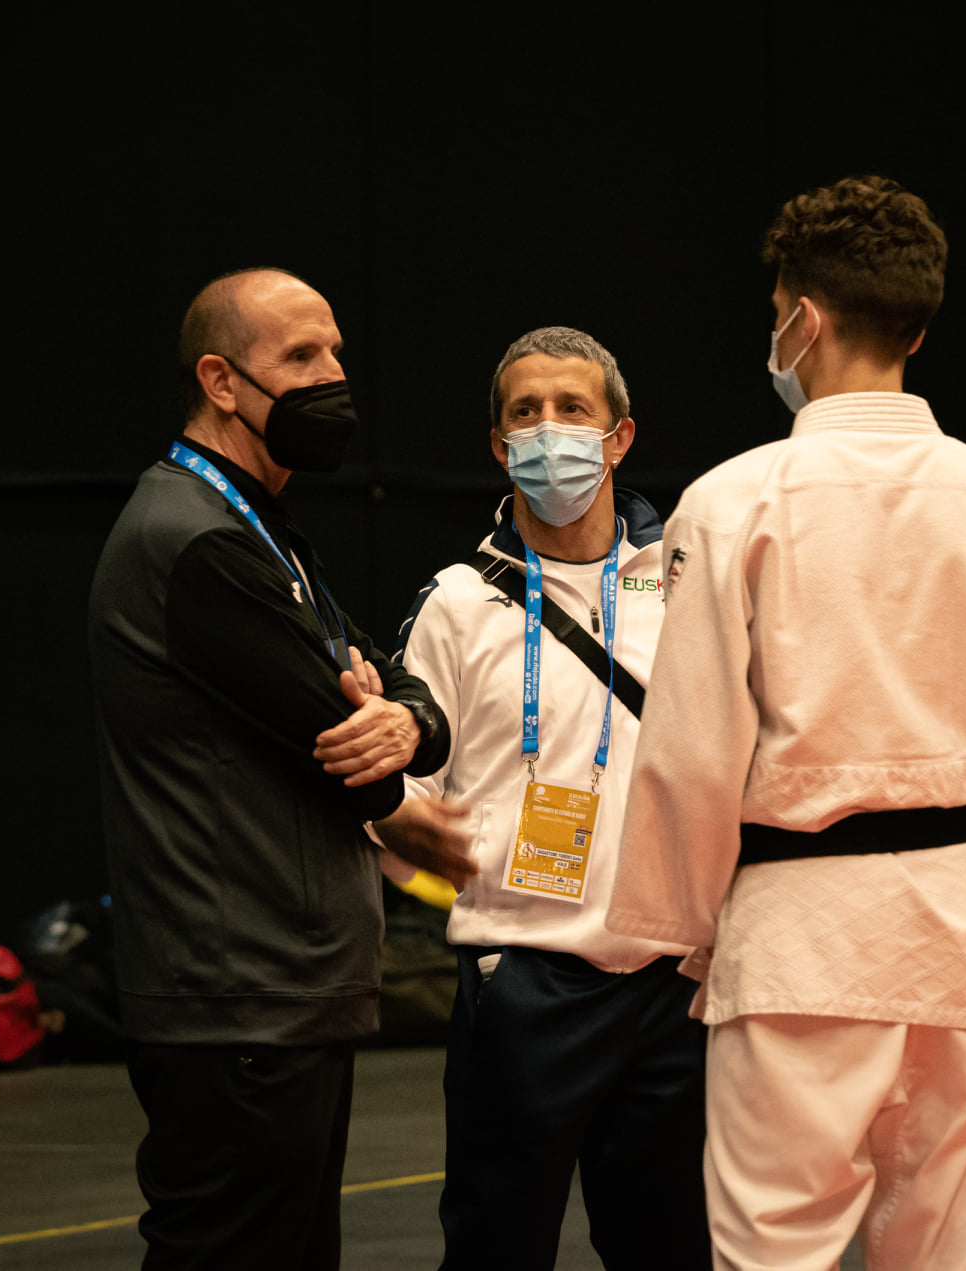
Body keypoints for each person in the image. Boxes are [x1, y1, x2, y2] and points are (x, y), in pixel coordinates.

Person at [605, 176, 966, 1269]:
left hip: (795, 926)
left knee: (777, 1246)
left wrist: (678, 926)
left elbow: (690, 752)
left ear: (801, 320)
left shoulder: (732, 501)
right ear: (915, 324)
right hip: (956, 918)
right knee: (961, 1249)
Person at [89, 266, 469, 1270]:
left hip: (274, 983)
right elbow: (337, 734)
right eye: (300, 356)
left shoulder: (259, 530)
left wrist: (409, 725)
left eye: (335, 349)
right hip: (239, 988)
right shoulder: (199, 537)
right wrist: (397, 765)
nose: (332, 375)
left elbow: (395, 693)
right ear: (219, 381)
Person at [369, 327, 710, 1270]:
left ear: (620, 437)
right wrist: (404, 828)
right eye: (526, 413)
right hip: (519, 981)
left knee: (673, 1248)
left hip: (671, 983)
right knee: (494, 1247)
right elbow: (396, 788)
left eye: (573, 410)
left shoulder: (688, 584)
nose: (549, 431)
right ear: (497, 443)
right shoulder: (453, 603)